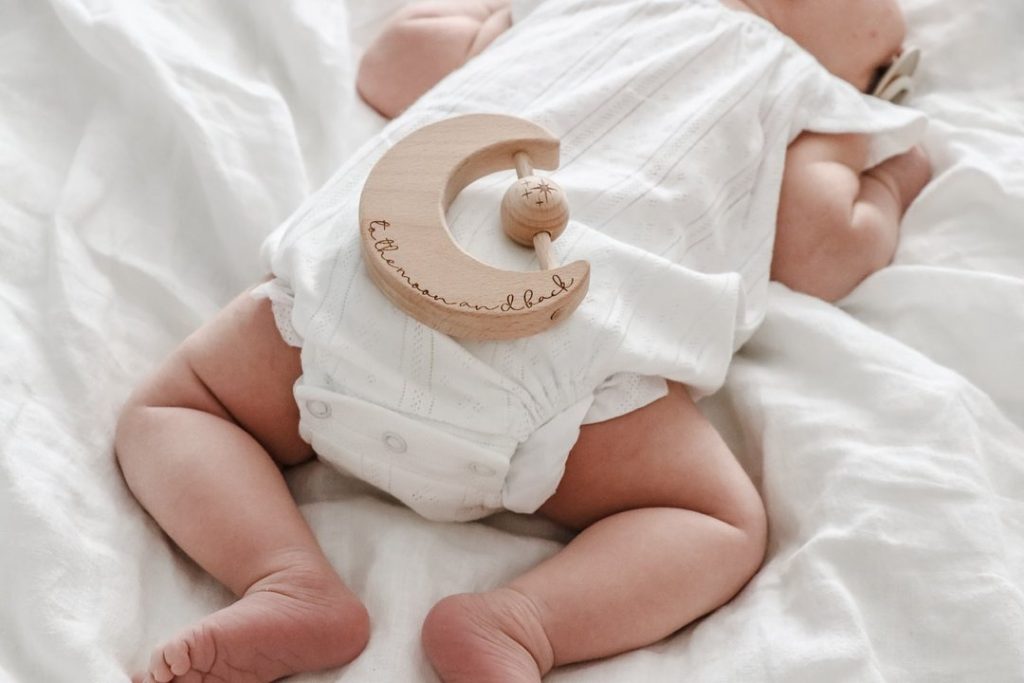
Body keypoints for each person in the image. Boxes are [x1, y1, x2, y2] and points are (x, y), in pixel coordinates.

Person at [117, 1, 932, 681]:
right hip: (561, 365)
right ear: (870, 78)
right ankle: (522, 625)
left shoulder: (574, 9)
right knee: (713, 519)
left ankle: (286, 578)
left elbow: (390, 64)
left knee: (178, 410)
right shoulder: (809, 96)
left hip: (365, 272)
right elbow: (819, 250)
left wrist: (487, 20)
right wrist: (890, 178)